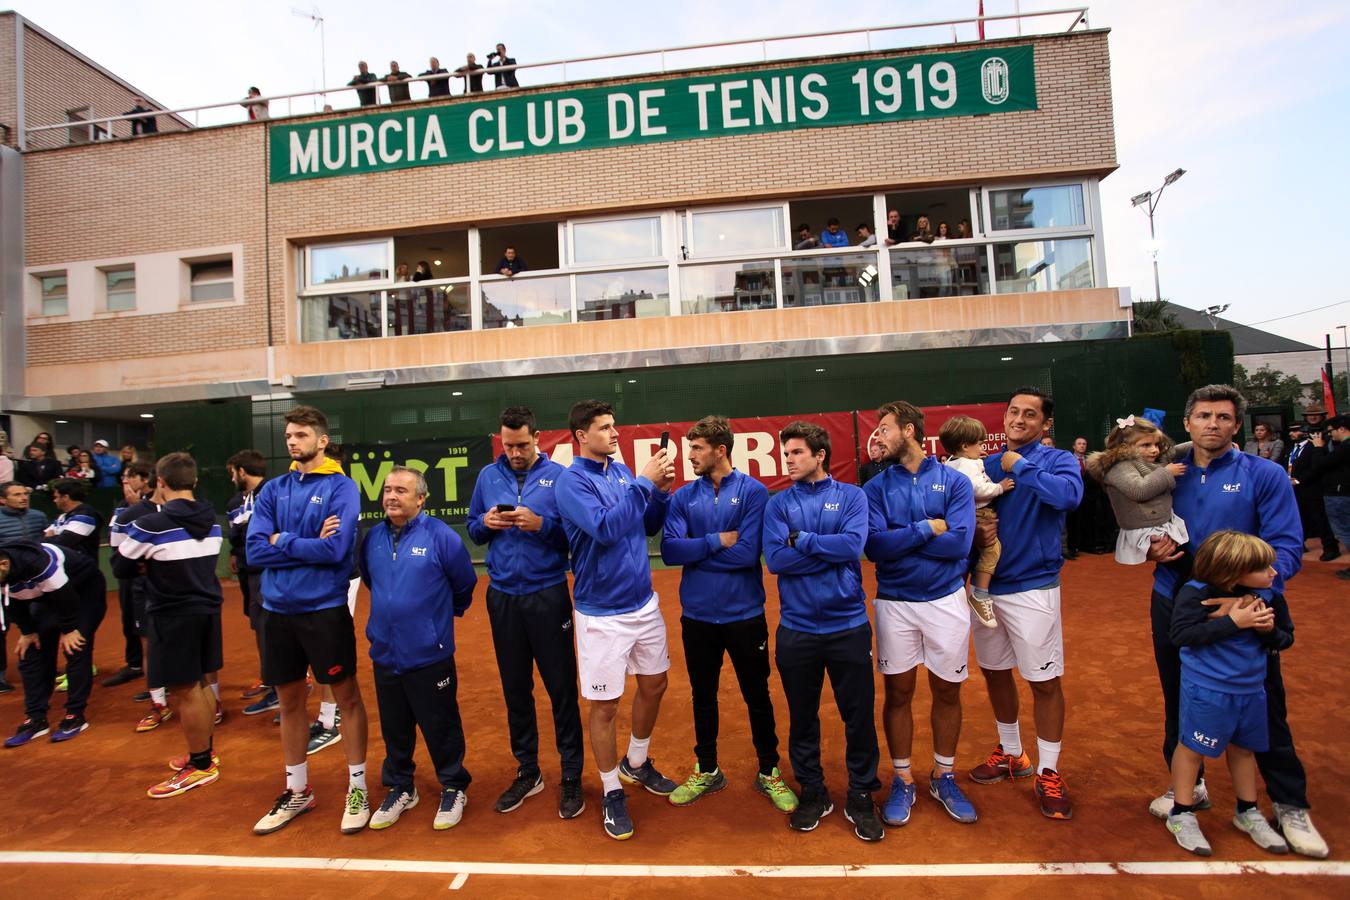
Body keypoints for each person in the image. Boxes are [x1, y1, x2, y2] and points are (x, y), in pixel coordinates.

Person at [1144, 384, 1326, 858]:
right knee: (1180, 695)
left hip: (1247, 609)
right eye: (1203, 416)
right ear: (1188, 422)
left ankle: (1288, 803)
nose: (1213, 425)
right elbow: (1141, 527)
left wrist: (1243, 598)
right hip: (1174, 599)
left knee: (1264, 705)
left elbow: (1286, 548)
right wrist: (1150, 547)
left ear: (1236, 425)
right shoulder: (1166, 475)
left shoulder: (1263, 474)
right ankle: (1191, 787)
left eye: (1223, 418)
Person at [246, 405, 371, 836]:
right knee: (290, 700)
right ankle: (297, 790)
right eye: (288, 437)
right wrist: (303, 542)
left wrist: (281, 539)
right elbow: (254, 550)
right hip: (277, 611)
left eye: (300, 436)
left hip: (324, 610)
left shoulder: (342, 489)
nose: (292, 443)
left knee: (346, 697)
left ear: (321, 440)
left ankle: (358, 790)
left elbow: (337, 551)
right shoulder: (272, 490)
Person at [660, 416, 796, 813]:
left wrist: (698, 552)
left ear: (721, 450)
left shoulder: (754, 493)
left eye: (698, 449)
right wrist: (717, 540)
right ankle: (707, 769)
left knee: (758, 696)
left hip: (745, 615)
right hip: (697, 617)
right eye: (690, 450)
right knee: (703, 696)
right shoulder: (684, 496)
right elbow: (670, 551)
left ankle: (769, 771)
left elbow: (746, 554)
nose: (691, 457)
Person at [555, 399, 675, 841]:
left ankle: (636, 763)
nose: (614, 432)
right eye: (604, 428)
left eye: (614, 425)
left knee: (655, 683)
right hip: (601, 615)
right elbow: (605, 528)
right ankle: (610, 791)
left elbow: (646, 526)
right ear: (581, 436)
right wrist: (644, 484)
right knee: (604, 706)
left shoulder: (622, 474)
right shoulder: (570, 484)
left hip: (643, 604)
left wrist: (658, 491)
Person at [764, 421, 884, 841]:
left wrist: (804, 541)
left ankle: (860, 793)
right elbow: (776, 561)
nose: (788, 459)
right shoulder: (778, 505)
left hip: (848, 627)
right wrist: (822, 548)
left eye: (796, 452)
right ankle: (813, 790)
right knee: (802, 717)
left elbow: (853, 547)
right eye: (786, 453)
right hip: (797, 630)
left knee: (858, 717)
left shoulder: (852, 496)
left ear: (820, 455)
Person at [966, 387, 1081, 820]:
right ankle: (1012, 753)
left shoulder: (1058, 460)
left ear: (1044, 423)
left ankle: (1049, 770)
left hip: (1034, 587)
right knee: (995, 672)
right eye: (1014, 411)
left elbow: (1067, 498)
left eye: (1029, 414)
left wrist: (1022, 466)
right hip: (985, 586)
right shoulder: (984, 466)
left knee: (1043, 680)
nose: (1019, 419)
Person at [466, 406, 585, 819]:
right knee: (516, 688)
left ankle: (571, 775)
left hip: (547, 595)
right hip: (502, 597)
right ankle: (528, 770)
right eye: (508, 444)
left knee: (561, 688)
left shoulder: (562, 478)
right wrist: (485, 523)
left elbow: (574, 536)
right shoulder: (487, 476)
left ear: (538, 438)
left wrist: (542, 525)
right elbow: (473, 529)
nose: (515, 452)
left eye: (522, 444)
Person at [864, 403, 977, 831]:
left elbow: (960, 546)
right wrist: (928, 528)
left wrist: (903, 540)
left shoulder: (954, 481)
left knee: (948, 692)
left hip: (946, 600)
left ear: (908, 431)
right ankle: (904, 778)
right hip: (894, 603)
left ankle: (944, 776)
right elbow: (875, 549)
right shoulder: (874, 489)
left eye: (884, 429)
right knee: (898, 693)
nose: (878, 437)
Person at [361, 467, 478, 830]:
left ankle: (453, 784)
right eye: (388, 490)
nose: (392, 496)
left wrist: (435, 626)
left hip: (430, 654)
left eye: (401, 490)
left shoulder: (442, 537)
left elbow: (464, 585)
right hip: (385, 652)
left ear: (421, 498)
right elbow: (370, 580)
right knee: (395, 727)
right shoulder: (372, 539)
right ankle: (400, 786)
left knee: (440, 724)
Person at [1164, 531, 1293, 857]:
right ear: (1232, 571)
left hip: (1251, 691)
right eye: (1264, 567)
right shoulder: (1195, 594)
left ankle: (1247, 811)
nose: (1274, 573)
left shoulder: (1269, 596)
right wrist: (1234, 622)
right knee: (1192, 749)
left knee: (1245, 749)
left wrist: (1266, 630)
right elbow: (1181, 634)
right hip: (1206, 692)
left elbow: (1284, 639)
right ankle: (1181, 813)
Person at [112, 453, 225, 799]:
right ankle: (205, 753)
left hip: (172, 614)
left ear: (160, 482)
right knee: (202, 683)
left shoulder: (151, 525)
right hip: (206, 610)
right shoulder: (214, 521)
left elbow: (121, 566)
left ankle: (201, 764)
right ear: (194, 482)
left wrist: (148, 563)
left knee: (185, 690)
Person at [0, 538, 107, 746]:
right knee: (32, 651)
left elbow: (65, 596)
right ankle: (36, 718)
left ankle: (75, 714)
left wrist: (69, 629)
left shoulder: (38, 561)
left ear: (4, 565)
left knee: (75, 647)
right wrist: (28, 631)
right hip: (47, 595)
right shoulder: (4, 570)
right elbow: (11, 601)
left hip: (82, 590)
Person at [939, 415, 1012, 628]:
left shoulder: (952, 463)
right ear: (964, 446)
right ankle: (980, 594)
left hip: (961, 516)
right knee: (993, 549)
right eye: (979, 444)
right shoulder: (968, 466)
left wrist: (976, 459)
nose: (982, 447)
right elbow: (976, 488)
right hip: (980, 514)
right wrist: (1000, 487)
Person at [1086, 416, 1189, 566]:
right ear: (1125, 447)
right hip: (1143, 529)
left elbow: (1175, 451)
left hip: (1162, 522)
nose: (1154, 450)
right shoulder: (1119, 467)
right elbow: (1138, 490)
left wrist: (1204, 444)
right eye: (1146, 445)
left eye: (1156, 444)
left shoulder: (1153, 459)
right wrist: (1166, 473)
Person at [227, 451, 275, 712]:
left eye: (232, 472)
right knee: (260, 627)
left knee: (272, 628)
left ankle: (283, 684)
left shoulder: (274, 493)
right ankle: (271, 682)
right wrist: (235, 554)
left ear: (241, 471)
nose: (232, 477)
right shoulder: (236, 501)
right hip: (249, 573)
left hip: (268, 572)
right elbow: (237, 535)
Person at [102, 462, 155, 690]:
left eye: (129, 477)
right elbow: (116, 544)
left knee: (149, 627)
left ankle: (156, 681)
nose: (125, 482)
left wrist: (139, 507)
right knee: (131, 621)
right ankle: (135, 665)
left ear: (145, 479)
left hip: (148, 576)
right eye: (123, 478)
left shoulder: (153, 507)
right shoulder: (123, 506)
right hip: (128, 573)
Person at [0, 482, 48, 695]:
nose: (23, 497)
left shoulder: (38, 516)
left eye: (25, 493)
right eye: (16, 494)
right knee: (1, 627)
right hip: (5, 582)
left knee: (42, 622)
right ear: (3, 500)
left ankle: (45, 667)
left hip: (37, 580)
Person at [1304, 414, 1350, 579]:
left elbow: (1320, 464)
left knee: (1344, 530)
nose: (1329, 435)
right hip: (1340, 493)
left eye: (1331, 431)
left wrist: (1317, 447)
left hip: (1340, 494)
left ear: (1342, 429)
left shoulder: (1345, 447)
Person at [46, 478, 104, 563]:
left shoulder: (86, 516)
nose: (54, 500)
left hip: (83, 570)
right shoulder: (63, 516)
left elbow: (63, 542)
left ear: (65, 497)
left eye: (56, 497)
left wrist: (51, 536)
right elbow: (45, 535)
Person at [1064, 437, 1089, 559]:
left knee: (1083, 522)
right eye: (1079, 444)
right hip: (1072, 497)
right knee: (1070, 523)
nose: (1082, 446)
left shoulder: (1089, 460)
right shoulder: (1068, 460)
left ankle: (1081, 546)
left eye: (1084, 444)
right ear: (1074, 446)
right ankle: (1070, 548)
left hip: (1087, 498)